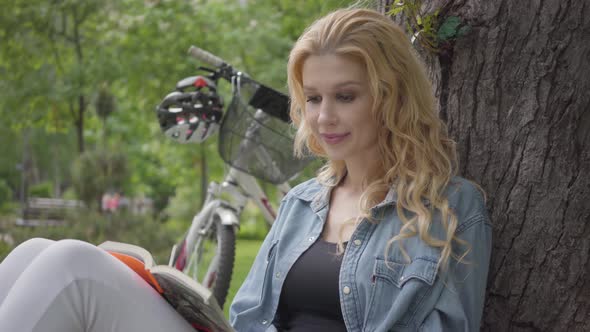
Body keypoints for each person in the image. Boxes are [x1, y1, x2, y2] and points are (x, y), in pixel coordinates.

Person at [0, 8, 491, 332]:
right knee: (36, 252)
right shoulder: (303, 203)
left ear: (391, 97)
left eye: (346, 96)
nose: (324, 117)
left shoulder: (450, 209)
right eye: (314, 98)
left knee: (71, 268)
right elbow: (247, 317)